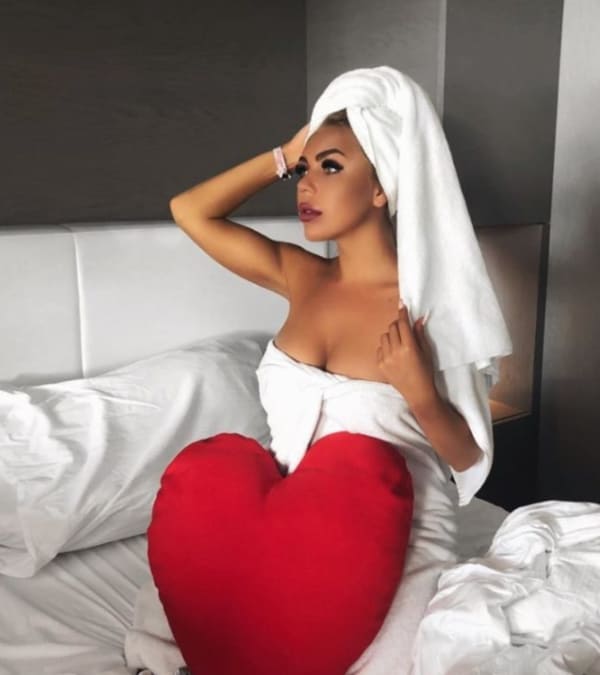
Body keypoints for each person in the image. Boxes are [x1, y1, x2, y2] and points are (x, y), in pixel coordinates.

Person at [157, 66, 509, 674]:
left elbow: (469, 460)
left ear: (382, 187)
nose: (306, 185)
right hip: (282, 528)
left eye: (331, 167)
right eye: (304, 170)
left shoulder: (428, 306)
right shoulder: (302, 277)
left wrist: (421, 394)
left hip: (396, 545)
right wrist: (284, 153)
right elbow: (190, 212)